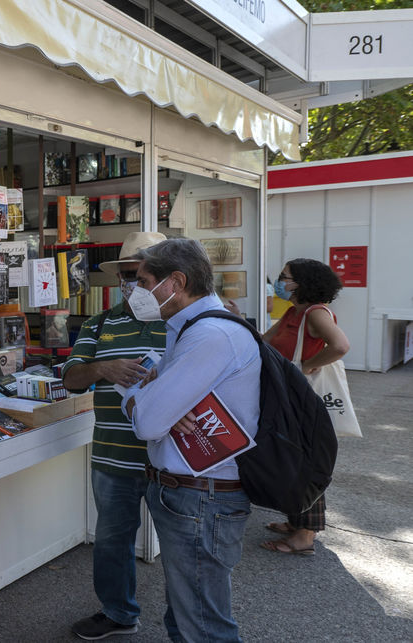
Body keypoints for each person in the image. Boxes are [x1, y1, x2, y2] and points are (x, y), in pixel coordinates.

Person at [122, 238, 260, 643]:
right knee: (186, 616)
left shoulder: (210, 336)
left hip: (203, 499)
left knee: (203, 625)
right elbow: (142, 393)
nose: (137, 290)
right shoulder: (191, 329)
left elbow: (146, 420)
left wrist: (145, 401)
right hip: (193, 496)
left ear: (175, 282)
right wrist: (149, 398)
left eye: (144, 281)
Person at [62, 232, 169, 640]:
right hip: (112, 457)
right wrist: (102, 369)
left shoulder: (185, 322)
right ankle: (118, 612)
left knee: (182, 547)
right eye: (128, 275)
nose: (135, 284)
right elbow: (71, 379)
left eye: (144, 276)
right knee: (111, 541)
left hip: (171, 459)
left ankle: (189, 623)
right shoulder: (100, 323)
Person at [259, 258, 349, 555]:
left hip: (304, 400)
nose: (279, 282)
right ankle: (296, 521)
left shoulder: (314, 313)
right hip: (289, 398)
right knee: (290, 457)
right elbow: (263, 343)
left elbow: (340, 345)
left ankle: (305, 536)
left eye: (284, 277)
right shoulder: (292, 313)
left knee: (306, 461)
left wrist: (308, 366)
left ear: (302, 283)